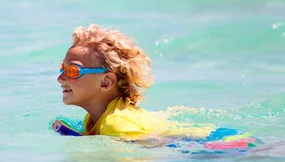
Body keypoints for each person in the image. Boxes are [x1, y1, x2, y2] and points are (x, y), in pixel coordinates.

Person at [56, 24, 216, 140]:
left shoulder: (119, 125)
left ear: (105, 82)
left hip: (214, 146)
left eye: (73, 71)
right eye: (63, 69)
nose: (60, 78)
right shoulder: (92, 119)